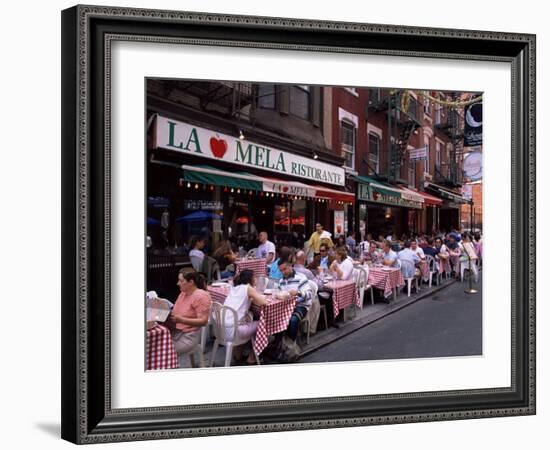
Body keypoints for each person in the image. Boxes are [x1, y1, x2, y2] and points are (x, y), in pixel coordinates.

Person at [222, 269, 267, 364]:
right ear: (250, 279)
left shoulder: (234, 287)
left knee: (246, 321)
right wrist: (259, 295)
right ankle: (252, 357)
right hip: (235, 331)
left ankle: (237, 354)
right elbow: (263, 302)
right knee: (264, 324)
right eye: (254, 277)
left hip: (221, 330)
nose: (255, 279)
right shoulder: (248, 288)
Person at [167, 271, 212, 360]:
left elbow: (203, 321)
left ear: (191, 282)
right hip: (176, 331)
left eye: (181, 281)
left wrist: (181, 320)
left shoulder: (201, 296)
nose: (177, 283)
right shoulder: (184, 292)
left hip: (188, 337)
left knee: (160, 351)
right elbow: (178, 311)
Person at [277, 258, 313, 342]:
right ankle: (280, 342)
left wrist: (298, 292)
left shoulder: (301, 277)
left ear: (290, 266)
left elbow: (310, 295)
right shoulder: (281, 281)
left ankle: (291, 343)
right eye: (281, 270)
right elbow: (280, 294)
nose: (283, 272)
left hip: (301, 306)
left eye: (284, 269)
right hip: (287, 306)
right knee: (276, 318)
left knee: (293, 320)